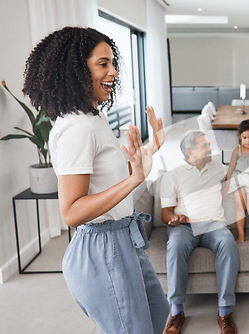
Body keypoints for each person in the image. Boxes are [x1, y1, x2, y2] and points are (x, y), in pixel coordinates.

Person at [23, 27, 169, 333]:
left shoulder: (94, 118)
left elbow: (111, 180)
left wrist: (150, 149)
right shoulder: (76, 129)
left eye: (112, 63)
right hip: (101, 248)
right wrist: (134, 181)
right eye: (103, 64)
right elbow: (72, 211)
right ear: (76, 70)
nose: (113, 72)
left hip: (123, 237)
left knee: (158, 310)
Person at [161, 130, 239, 334]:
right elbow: (165, 212)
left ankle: (224, 312)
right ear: (189, 151)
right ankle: (177, 311)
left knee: (228, 243)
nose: (209, 148)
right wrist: (173, 218)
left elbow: (238, 171)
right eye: (204, 146)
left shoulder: (218, 168)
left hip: (214, 225)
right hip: (185, 228)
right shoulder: (173, 175)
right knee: (175, 245)